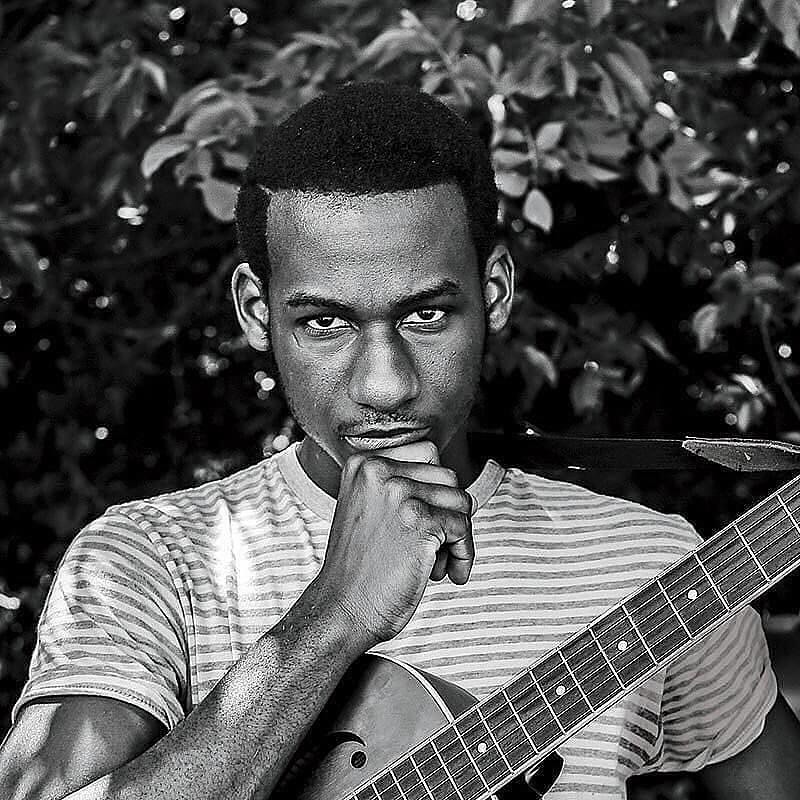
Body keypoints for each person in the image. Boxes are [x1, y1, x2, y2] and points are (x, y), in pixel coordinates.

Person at [1, 81, 799, 800]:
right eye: (325, 322)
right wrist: (336, 612)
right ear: (255, 311)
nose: (385, 385)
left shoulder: (654, 567)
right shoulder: (149, 560)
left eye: (425, 314)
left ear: (494, 292)